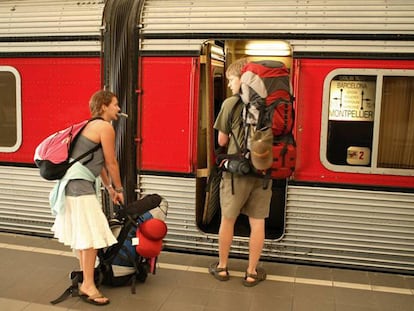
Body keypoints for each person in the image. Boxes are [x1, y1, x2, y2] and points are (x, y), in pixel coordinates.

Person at [51, 90, 124, 305]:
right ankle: (88, 286)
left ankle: (87, 282)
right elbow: (111, 163)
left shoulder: (89, 125)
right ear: (103, 107)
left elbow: (96, 162)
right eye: (115, 105)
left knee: (85, 236)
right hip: (79, 188)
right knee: (90, 237)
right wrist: (119, 189)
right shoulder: (104, 127)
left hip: (73, 186)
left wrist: (109, 188)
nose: (118, 109)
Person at [209, 58, 272, 287]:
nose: (229, 85)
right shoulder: (271, 104)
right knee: (258, 222)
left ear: (242, 78)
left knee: (228, 219)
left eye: (231, 80)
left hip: (237, 173)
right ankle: (252, 271)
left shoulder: (231, 104)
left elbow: (222, 140)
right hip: (263, 171)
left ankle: (223, 267)